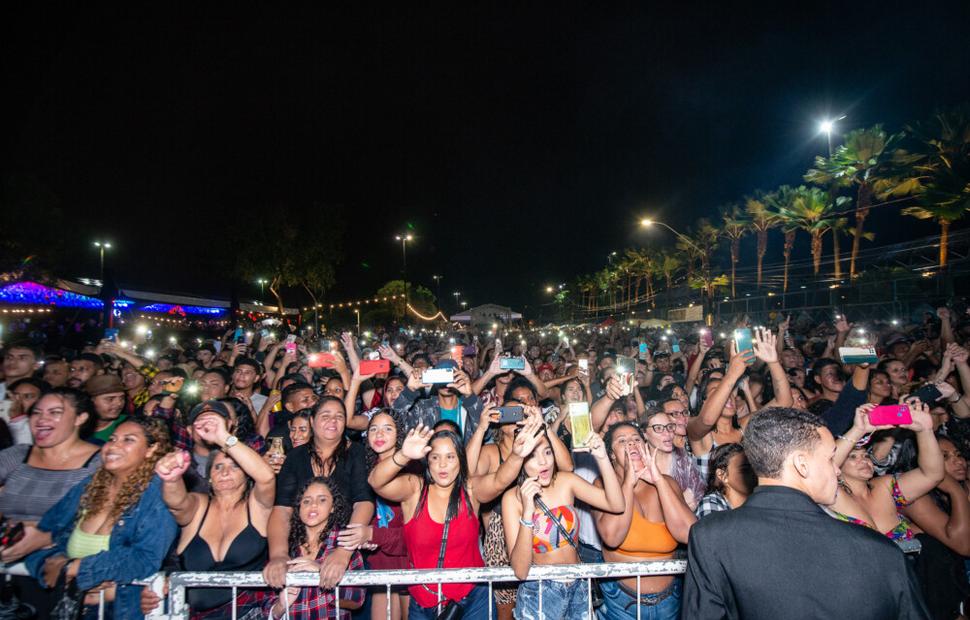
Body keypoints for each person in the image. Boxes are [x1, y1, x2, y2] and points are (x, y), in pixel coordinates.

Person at [682, 407, 929, 619]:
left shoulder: (711, 536)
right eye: (831, 458)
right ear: (801, 464)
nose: (838, 471)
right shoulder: (879, 550)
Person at [25, 416, 178, 619]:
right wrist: (51, 567)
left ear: (151, 449)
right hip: (71, 607)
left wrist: (78, 569)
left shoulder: (157, 494)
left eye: (128, 440)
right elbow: (44, 535)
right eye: (112, 439)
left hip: (122, 609)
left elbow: (145, 559)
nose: (114, 446)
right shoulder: (89, 487)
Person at [149, 409, 275, 619]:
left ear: (246, 475)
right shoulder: (200, 506)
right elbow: (177, 503)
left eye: (234, 466)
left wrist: (223, 437)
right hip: (192, 614)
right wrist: (171, 479)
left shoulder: (256, 506)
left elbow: (267, 478)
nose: (225, 472)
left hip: (247, 613)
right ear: (209, 477)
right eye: (218, 467)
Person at [368, 424, 503, 620]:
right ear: (427, 461)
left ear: (460, 460)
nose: (442, 465)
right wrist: (403, 455)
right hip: (424, 602)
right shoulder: (415, 489)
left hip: (473, 599)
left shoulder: (470, 489)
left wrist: (517, 454)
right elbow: (375, 482)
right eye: (435, 457)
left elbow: (500, 480)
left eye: (450, 457)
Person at [502, 428, 624, 619]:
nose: (544, 462)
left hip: (578, 587)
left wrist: (602, 458)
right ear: (521, 459)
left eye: (548, 452)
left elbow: (616, 504)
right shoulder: (512, 498)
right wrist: (527, 512)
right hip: (540, 592)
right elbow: (520, 570)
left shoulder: (567, 481)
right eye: (533, 455)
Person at [0, 388, 101, 616]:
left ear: (80, 418)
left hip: (56, 572)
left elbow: (107, 519)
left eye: (55, 412)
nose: (42, 419)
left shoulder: (100, 463)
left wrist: (46, 536)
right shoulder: (16, 455)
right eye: (37, 412)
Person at [264, 396, 375, 594]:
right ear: (312, 421)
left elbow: (363, 502)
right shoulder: (295, 457)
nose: (333, 421)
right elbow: (282, 509)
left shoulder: (357, 452)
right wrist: (279, 555)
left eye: (339, 416)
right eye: (326, 416)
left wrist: (342, 553)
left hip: (342, 546)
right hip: (300, 546)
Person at [593, 422, 695, 620]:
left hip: (669, 599)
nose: (631, 444)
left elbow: (689, 533)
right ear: (612, 454)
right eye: (622, 441)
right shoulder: (603, 485)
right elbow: (612, 537)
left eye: (636, 439)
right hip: (622, 600)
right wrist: (628, 485)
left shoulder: (667, 482)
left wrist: (658, 480)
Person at [264, 477, 365, 619]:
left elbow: (356, 600)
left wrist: (321, 572)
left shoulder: (344, 544)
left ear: (333, 507)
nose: (313, 505)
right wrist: (281, 606)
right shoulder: (286, 547)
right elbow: (265, 603)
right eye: (306, 501)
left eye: (322, 500)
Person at [695, 443, 754, 518]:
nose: (753, 473)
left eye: (755, 468)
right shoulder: (711, 505)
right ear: (722, 475)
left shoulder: (757, 501)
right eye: (745, 469)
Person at [85, 374, 129, 444]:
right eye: (110, 399)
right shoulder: (77, 427)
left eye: (122, 398)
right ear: (90, 401)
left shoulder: (129, 424)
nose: (119, 403)